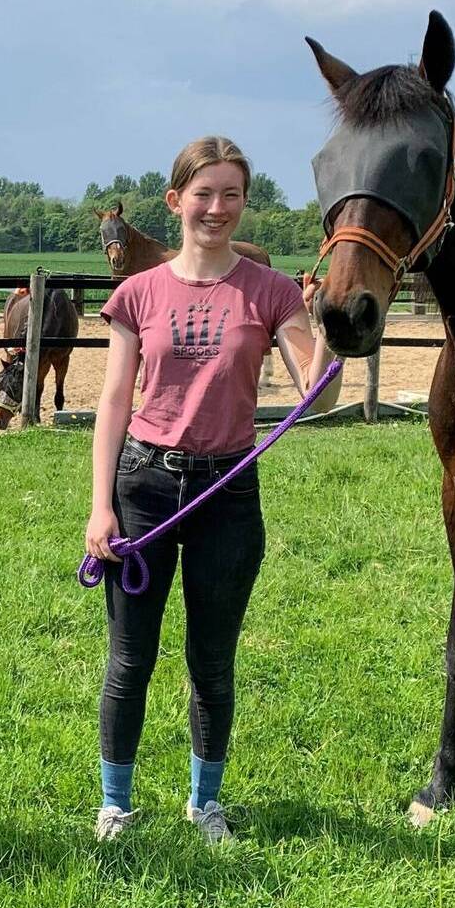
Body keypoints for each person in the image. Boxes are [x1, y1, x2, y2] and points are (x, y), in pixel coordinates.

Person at [84, 136, 340, 844]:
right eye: (204, 194)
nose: (217, 208)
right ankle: (116, 805)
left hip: (226, 489)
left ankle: (205, 804)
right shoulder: (138, 293)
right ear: (176, 202)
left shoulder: (272, 292)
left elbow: (316, 397)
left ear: (243, 203)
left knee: (212, 660)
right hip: (144, 486)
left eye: (231, 194)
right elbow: (112, 401)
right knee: (130, 656)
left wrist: (329, 328)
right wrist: (101, 503)